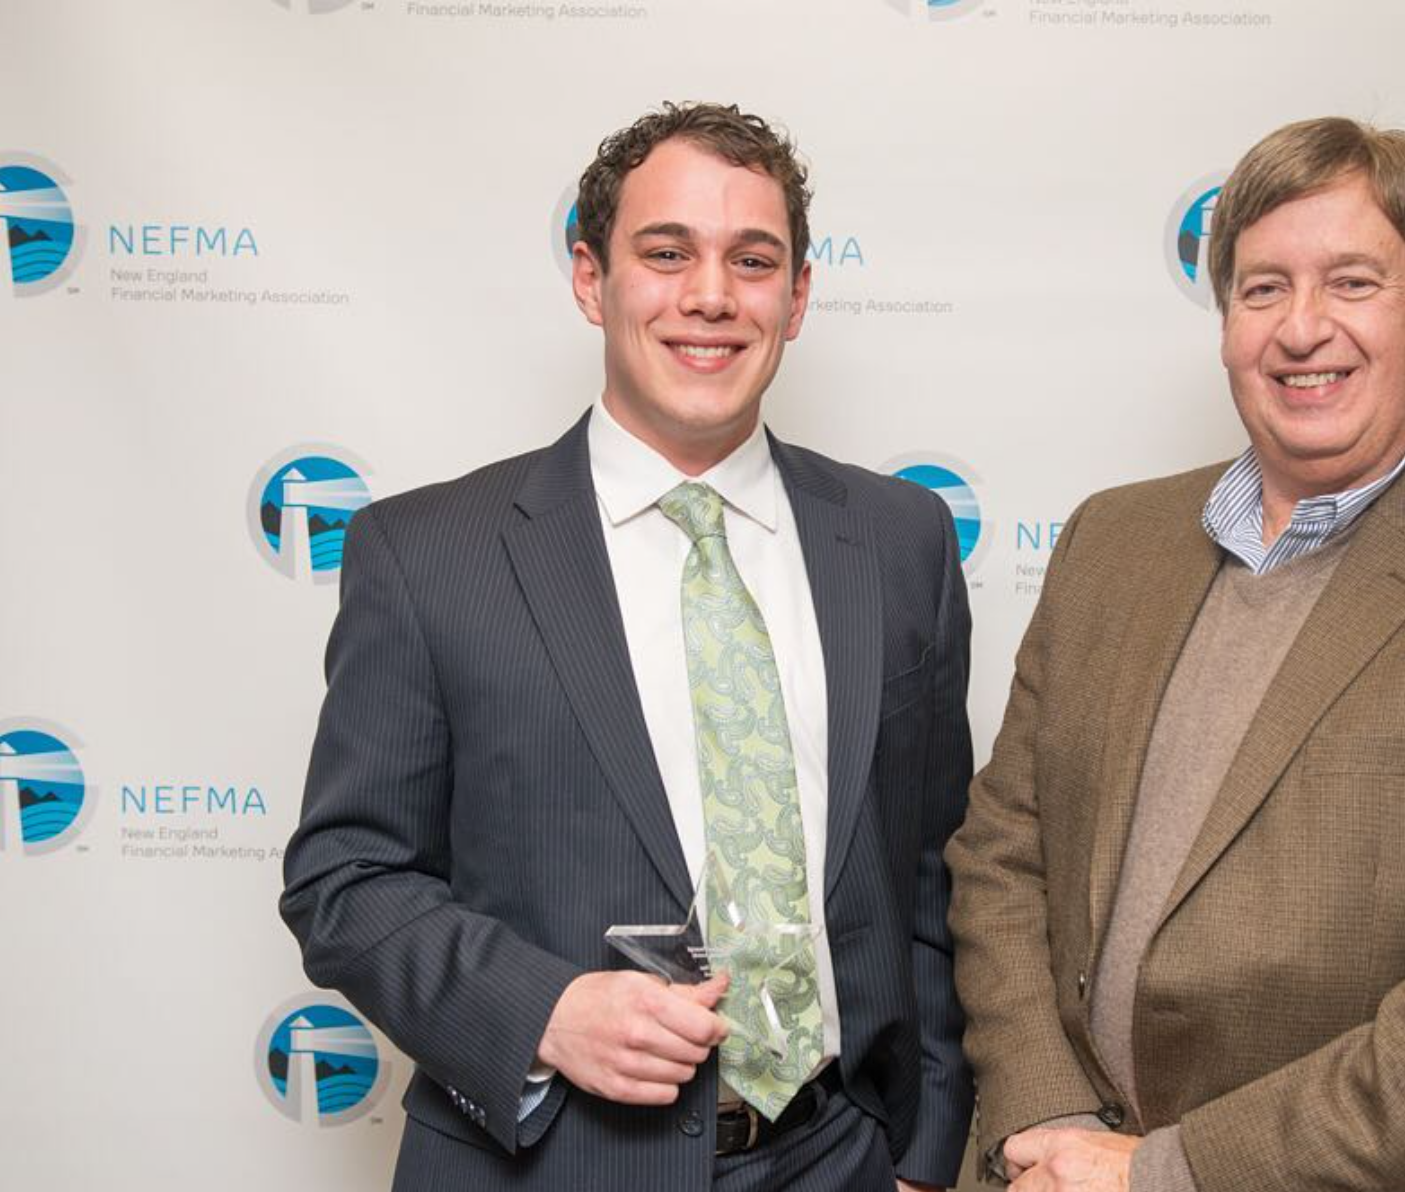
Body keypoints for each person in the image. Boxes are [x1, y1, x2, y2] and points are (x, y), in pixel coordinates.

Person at [946, 116, 1405, 1192]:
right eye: (1261, 289)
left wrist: (1165, 1174)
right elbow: (1001, 856)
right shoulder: (1113, 540)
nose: (1301, 330)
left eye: (1351, 283)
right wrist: (1043, 1121)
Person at [280, 102, 974, 1192]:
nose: (710, 295)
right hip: (545, 1164)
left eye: (753, 260)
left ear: (796, 299)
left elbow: (934, 871)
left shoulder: (899, 542)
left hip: (838, 1160)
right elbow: (346, 877)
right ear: (590, 279)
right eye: (666, 253)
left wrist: (926, 1155)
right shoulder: (428, 554)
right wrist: (541, 1010)